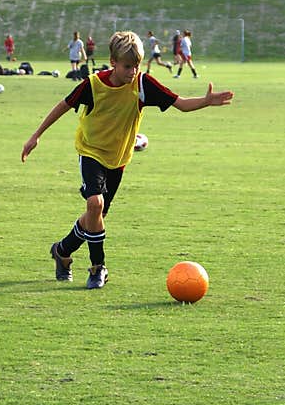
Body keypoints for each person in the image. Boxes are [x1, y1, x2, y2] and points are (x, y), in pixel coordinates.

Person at [20, 30, 234, 289]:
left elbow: (180, 103)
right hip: (90, 151)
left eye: (136, 66)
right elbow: (63, 105)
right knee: (95, 204)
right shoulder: (93, 84)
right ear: (113, 62)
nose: (133, 71)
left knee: (95, 217)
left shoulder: (143, 85)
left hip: (118, 159)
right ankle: (98, 268)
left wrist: (205, 101)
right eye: (127, 66)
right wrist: (36, 135)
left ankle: (62, 251)